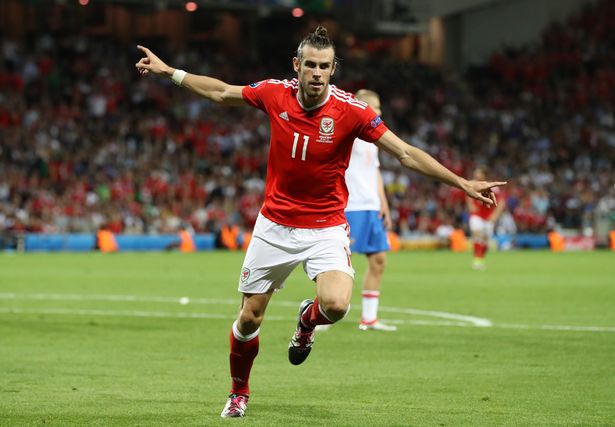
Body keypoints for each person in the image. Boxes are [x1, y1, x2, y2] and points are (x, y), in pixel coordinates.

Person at [135, 26, 506, 418]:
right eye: (310, 64)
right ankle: (239, 391)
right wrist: (170, 72)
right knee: (248, 318)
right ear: (296, 65)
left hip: (326, 227)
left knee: (336, 305)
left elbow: (405, 153)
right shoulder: (274, 93)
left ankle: (306, 322)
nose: (316, 72)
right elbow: (222, 92)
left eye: (324, 66)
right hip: (275, 225)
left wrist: (462, 183)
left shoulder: (352, 111)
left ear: (333, 70)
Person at [344, 89, 396, 331]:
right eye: (376, 108)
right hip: (351, 206)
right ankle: (321, 313)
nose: (379, 113)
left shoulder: (373, 140)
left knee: (378, 260)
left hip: (371, 206)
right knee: (338, 264)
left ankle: (369, 319)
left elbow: (374, 171)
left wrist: (383, 203)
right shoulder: (348, 134)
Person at [466, 167, 506, 270]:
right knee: (477, 236)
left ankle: (480, 259)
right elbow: (468, 195)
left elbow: (501, 202)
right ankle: (477, 260)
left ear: (485, 175)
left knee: (485, 241)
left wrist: (495, 215)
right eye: (475, 173)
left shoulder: (493, 187)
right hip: (476, 215)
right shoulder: (472, 184)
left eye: (479, 173)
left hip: (488, 217)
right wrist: (470, 205)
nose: (476, 175)